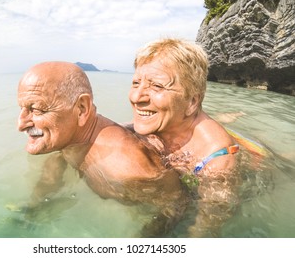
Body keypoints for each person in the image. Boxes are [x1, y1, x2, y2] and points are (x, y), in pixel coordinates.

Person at [17, 61, 187, 237]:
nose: (20, 124)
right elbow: (59, 162)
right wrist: (33, 207)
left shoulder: (124, 167)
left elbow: (177, 204)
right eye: (21, 109)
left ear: (82, 109)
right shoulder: (70, 138)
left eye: (36, 109)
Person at [128, 38, 241, 237]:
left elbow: (205, 230)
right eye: (136, 83)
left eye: (157, 86)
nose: (137, 97)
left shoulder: (216, 162)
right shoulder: (160, 122)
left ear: (192, 101)